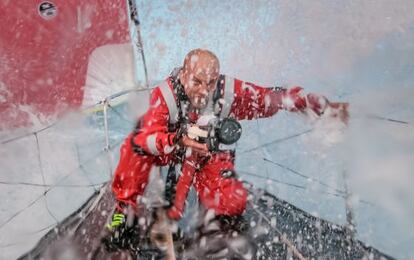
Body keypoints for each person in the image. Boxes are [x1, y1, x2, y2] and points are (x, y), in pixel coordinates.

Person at [107, 48, 348, 233]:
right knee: (133, 148)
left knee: (231, 203)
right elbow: (146, 138)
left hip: (201, 152)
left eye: (210, 82)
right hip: (167, 147)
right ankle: (122, 211)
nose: (204, 90)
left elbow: (266, 99)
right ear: (183, 75)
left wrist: (312, 104)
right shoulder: (164, 95)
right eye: (197, 82)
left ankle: (216, 231)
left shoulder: (225, 90)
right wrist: (177, 139)